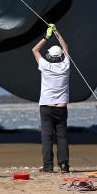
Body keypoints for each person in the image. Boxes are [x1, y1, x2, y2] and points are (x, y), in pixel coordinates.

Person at [31, 23, 70, 173]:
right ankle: (64, 165)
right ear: (60, 56)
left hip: (46, 107)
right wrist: (57, 32)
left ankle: (48, 166)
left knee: (47, 137)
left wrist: (46, 37)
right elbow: (65, 47)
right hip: (61, 107)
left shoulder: (44, 65)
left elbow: (34, 50)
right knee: (62, 136)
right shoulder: (66, 64)